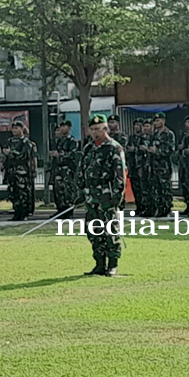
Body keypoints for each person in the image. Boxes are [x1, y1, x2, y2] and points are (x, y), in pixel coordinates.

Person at [79, 114, 126, 277]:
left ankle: (113, 264)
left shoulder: (114, 147)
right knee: (93, 231)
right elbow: (82, 171)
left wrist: (117, 196)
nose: (94, 133)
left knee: (110, 231)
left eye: (97, 129)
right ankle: (99, 263)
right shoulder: (88, 148)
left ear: (105, 128)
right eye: (92, 130)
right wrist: (80, 191)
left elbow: (120, 174)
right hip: (91, 197)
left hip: (107, 196)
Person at [4, 121, 35, 221]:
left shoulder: (26, 142)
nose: (14, 130)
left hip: (22, 172)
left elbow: (25, 155)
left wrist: (11, 153)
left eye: (17, 128)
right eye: (13, 128)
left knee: (23, 193)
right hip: (12, 171)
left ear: (22, 129)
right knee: (13, 192)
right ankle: (17, 212)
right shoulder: (9, 141)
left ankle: (24, 212)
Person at [50, 120, 80, 219]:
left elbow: (72, 154)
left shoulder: (72, 141)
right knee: (58, 191)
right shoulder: (59, 141)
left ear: (69, 127)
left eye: (64, 126)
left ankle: (69, 211)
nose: (62, 128)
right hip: (58, 169)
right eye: (61, 126)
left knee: (68, 191)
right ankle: (60, 210)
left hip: (67, 169)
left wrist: (60, 155)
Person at [149, 112, 175, 217]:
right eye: (155, 121)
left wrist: (158, 151)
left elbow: (170, 149)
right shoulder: (154, 134)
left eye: (158, 120)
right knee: (156, 188)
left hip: (164, 166)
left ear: (163, 121)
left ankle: (167, 208)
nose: (156, 123)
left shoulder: (169, 134)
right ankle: (159, 208)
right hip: (154, 165)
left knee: (165, 188)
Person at [136, 119, 154, 216]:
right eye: (144, 126)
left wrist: (147, 149)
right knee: (144, 188)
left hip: (154, 166)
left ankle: (155, 208)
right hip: (144, 166)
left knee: (152, 188)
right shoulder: (141, 138)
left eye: (148, 126)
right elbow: (138, 153)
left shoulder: (154, 137)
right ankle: (147, 208)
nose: (145, 128)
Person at [126, 118, 144, 213]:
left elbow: (145, 148)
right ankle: (138, 205)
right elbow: (127, 149)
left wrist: (135, 149)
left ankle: (145, 206)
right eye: (136, 125)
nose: (137, 127)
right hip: (133, 165)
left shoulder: (144, 137)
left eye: (139, 125)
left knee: (143, 187)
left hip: (142, 165)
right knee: (135, 186)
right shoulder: (131, 137)